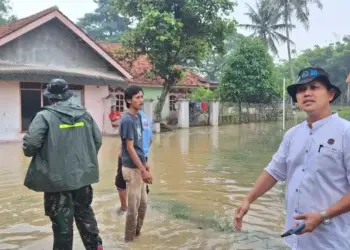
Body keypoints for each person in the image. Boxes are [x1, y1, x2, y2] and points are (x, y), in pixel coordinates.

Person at [234, 67, 350, 250]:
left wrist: (323, 215)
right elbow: (274, 171)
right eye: (301, 90)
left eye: (314, 87)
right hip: (295, 240)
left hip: (333, 241)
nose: (307, 93)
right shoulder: (292, 135)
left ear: (330, 94)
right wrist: (248, 199)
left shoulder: (345, 133)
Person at [22, 78, 103, 250]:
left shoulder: (44, 116)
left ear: (50, 98)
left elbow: (29, 147)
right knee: (85, 216)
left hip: (56, 183)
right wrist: (83, 163)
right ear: (67, 95)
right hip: (82, 180)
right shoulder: (85, 115)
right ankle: (96, 247)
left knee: (62, 228)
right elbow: (97, 141)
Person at [118, 85, 153, 242]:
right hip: (132, 169)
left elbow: (142, 144)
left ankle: (137, 235)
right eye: (137, 97)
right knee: (133, 208)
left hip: (140, 166)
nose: (141, 100)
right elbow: (130, 148)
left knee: (143, 205)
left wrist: (146, 163)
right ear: (128, 100)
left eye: (141, 97)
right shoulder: (127, 120)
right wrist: (142, 170)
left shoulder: (139, 116)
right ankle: (128, 240)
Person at [115, 108, 153, 215]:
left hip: (127, 156)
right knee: (143, 182)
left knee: (121, 180)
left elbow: (126, 142)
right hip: (142, 156)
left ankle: (124, 208)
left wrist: (121, 151)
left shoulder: (128, 119)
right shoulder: (147, 119)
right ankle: (142, 207)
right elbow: (150, 140)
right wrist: (145, 156)